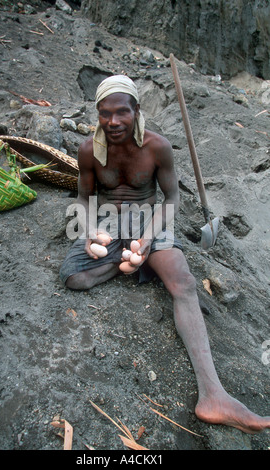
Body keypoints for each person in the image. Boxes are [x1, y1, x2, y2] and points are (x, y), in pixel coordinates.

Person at [60, 75, 270, 434]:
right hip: (109, 221)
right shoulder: (88, 150)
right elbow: (84, 198)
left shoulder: (158, 147)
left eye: (121, 112)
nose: (113, 122)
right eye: (104, 114)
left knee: (184, 283)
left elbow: (171, 200)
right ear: (97, 113)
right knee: (73, 278)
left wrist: (145, 238)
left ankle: (214, 396)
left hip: (149, 220)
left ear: (136, 110)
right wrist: (90, 233)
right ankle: (127, 262)